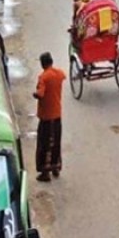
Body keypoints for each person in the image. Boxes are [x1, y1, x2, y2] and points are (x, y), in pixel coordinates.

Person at [32, 52, 67, 182]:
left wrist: (35, 94)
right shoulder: (58, 73)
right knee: (56, 142)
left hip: (46, 116)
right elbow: (64, 76)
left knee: (45, 144)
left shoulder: (43, 77)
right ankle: (56, 167)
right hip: (57, 114)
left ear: (42, 64)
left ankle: (45, 172)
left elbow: (41, 94)